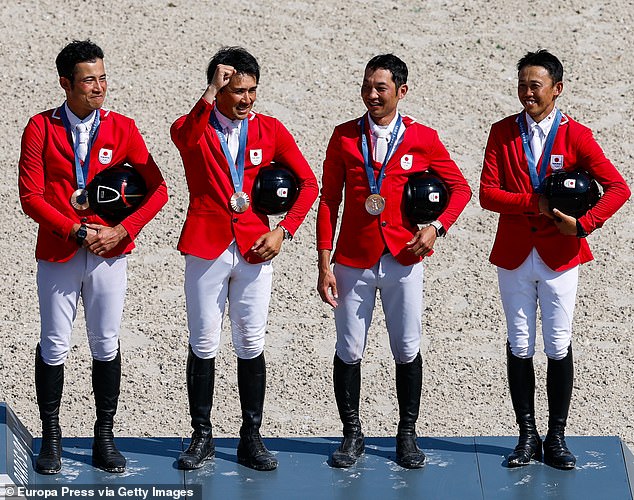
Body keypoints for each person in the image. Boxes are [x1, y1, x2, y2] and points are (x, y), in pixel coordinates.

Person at [18, 39, 168, 475]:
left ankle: (105, 435)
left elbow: (158, 189)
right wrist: (75, 230)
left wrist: (123, 229)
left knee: (105, 343)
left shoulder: (123, 127)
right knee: (54, 343)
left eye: (102, 77)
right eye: (89, 80)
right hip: (60, 250)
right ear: (66, 83)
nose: (99, 86)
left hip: (109, 250)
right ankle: (52, 437)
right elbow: (30, 197)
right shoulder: (40, 127)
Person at [316, 54, 471, 469]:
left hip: (403, 257)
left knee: (406, 347)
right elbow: (329, 200)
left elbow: (460, 189)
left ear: (401, 91)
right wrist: (324, 262)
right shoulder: (344, 137)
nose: (371, 94)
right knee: (349, 348)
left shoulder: (423, 137)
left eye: (380, 87)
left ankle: (407, 434)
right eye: (367, 86)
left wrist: (437, 227)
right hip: (353, 260)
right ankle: (352, 433)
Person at [479, 49, 630, 470]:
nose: (527, 93)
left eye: (536, 86)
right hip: (514, 254)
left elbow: (618, 188)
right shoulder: (502, 132)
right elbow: (487, 193)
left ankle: (557, 436)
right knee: (521, 343)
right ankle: (527, 436)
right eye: (522, 85)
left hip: (560, 255)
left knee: (558, 343)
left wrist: (584, 224)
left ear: (556, 89)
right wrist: (536, 203)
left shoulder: (577, 135)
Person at [170, 46, 318, 472]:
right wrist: (208, 90)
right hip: (206, 244)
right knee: (203, 342)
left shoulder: (269, 129)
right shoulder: (193, 127)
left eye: (252, 91)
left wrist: (284, 230)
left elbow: (308, 183)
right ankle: (202, 436)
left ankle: (250, 438)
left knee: (250, 342)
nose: (247, 100)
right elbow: (184, 140)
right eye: (237, 91)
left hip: (255, 245)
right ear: (218, 90)